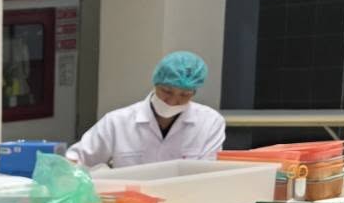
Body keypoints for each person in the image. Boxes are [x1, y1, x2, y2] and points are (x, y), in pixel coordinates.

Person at [67, 51, 226, 169]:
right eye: (166, 91)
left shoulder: (210, 122)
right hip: (130, 200)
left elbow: (208, 172)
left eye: (184, 95)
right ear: (155, 84)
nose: (172, 101)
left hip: (186, 198)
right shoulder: (117, 122)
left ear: (194, 92)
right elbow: (75, 160)